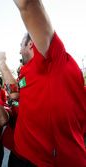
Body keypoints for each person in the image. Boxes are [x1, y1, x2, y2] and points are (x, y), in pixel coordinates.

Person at [12, 0, 86, 166]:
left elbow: (28, 5)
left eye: (20, 46)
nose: (18, 51)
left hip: (50, 161)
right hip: (21, 154)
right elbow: (17, 94)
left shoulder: (55, 59)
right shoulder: (24, 70)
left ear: (31, 43)